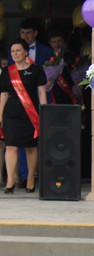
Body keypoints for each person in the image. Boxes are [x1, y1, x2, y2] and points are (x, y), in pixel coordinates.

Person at [0, 38, 46, 194]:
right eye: (12, 51)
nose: (15, 53)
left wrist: (44, 111)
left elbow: (41, 92)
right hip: (11, 113)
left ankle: (31, 179)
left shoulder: (36, 70)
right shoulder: (7, 71)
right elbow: (4, 94)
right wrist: (0, 115)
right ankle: (11, 180)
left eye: (18, 50)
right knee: (10, 146)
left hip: (30, 113)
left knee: (30, 147)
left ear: (26, 52)